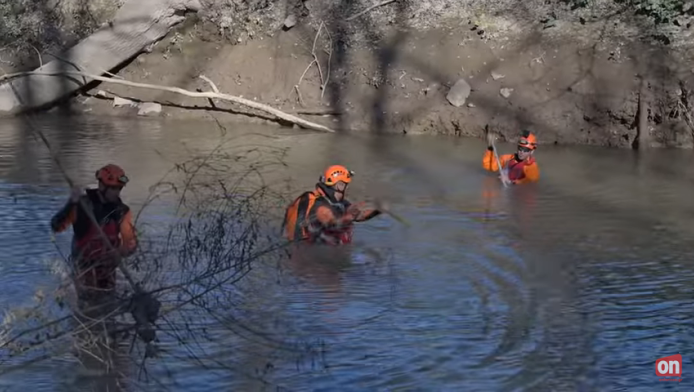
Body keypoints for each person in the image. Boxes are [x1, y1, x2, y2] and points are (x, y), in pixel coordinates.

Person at [50, 164, 138, 301]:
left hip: (108, 269)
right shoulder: (82, 205)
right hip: (83, 269)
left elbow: (130, 243)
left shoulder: (122, 211)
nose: (117, 192)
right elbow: (56, 226)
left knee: (109, 305)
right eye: (113, 188)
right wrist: (71, 203)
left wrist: (120, 252)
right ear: (102, 186)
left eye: (119, 188)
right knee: (88, 305)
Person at [282, 165, 384, 246]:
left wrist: (378, 209)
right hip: (305, 255)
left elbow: (358, 215)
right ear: (339, 185)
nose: (348, 188)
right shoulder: (320, 205)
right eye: (346, 185)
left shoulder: (334, 201)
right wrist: (350, 217)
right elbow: (332, 223)